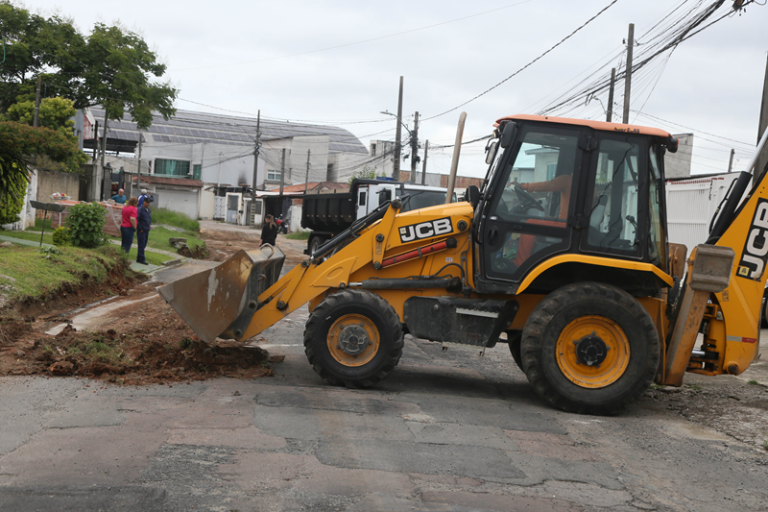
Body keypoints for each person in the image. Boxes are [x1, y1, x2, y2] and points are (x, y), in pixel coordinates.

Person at [136, 197, 152, 265]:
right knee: (141, 244)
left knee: (144, 244)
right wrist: (140, 228)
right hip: (142, 230)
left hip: (146, 229)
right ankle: (142, 258)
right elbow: (137, 219)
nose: (148, 204)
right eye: (146, 202)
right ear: (144, 202)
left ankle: (139, 257)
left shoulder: (148, 210)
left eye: (148, 203)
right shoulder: (140, 210)